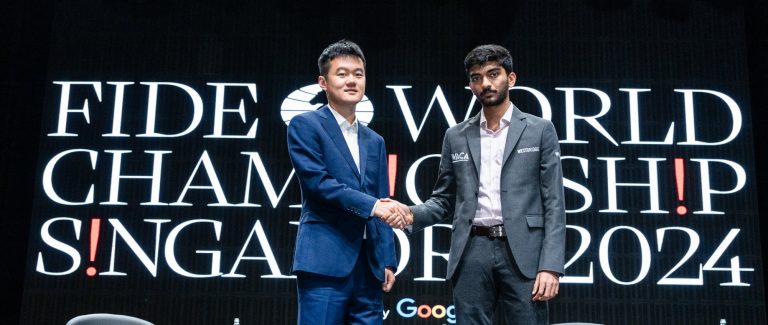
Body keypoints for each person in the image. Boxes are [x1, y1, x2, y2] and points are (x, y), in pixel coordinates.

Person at [388, 44, 566, 324]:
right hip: (472, 250)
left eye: (493, 74)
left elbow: (554, 202)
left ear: (511, 78)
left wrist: (551, 266)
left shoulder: (540, 130)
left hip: (524, 251)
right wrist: (410, 214)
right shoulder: (456, 135)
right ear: (470, 84)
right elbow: (444, 200)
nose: (485, 83)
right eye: (476, 77)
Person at [286, 39, 408, 325]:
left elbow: (382, 196)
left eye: (358, 73)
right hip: (324, 260)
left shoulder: (374, 140)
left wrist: (387, 259)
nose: (352, 80)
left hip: (369, 266)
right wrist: (374, 206)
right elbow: (319, 184)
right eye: (342, 74)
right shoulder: (305, 125)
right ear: (323, 82)